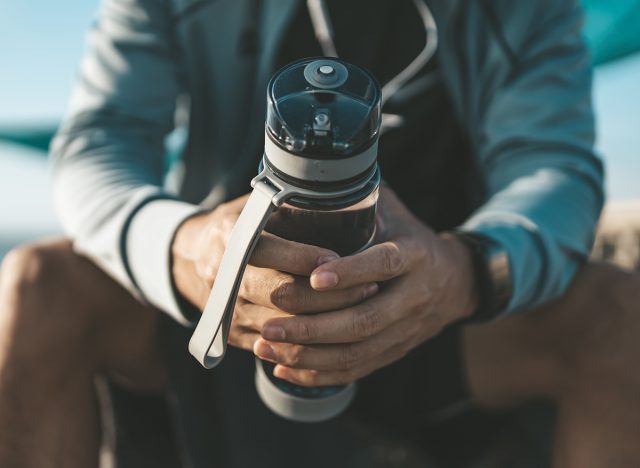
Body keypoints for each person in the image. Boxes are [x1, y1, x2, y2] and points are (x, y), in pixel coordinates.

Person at [1, 0, 640, 466]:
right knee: (36, 286)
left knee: (619, 315)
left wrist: (465, 272)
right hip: (215, 305)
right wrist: (184, 250)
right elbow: (98, 141)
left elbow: (555, 170)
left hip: (441, 311)